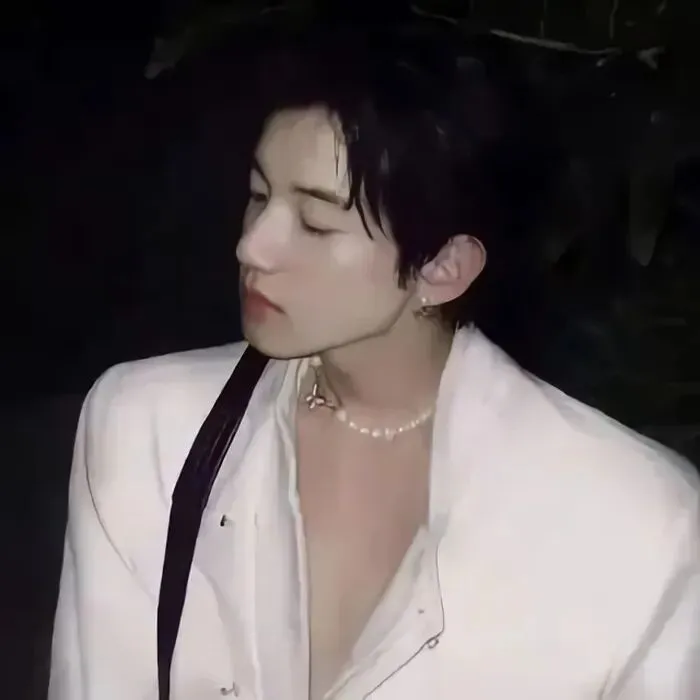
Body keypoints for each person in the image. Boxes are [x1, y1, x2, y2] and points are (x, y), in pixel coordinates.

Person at [49, 21, 700, 700]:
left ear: (443, 269)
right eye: (259, 195)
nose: (252, 247)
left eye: (316, 223)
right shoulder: (148, 430)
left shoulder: (639, 525)